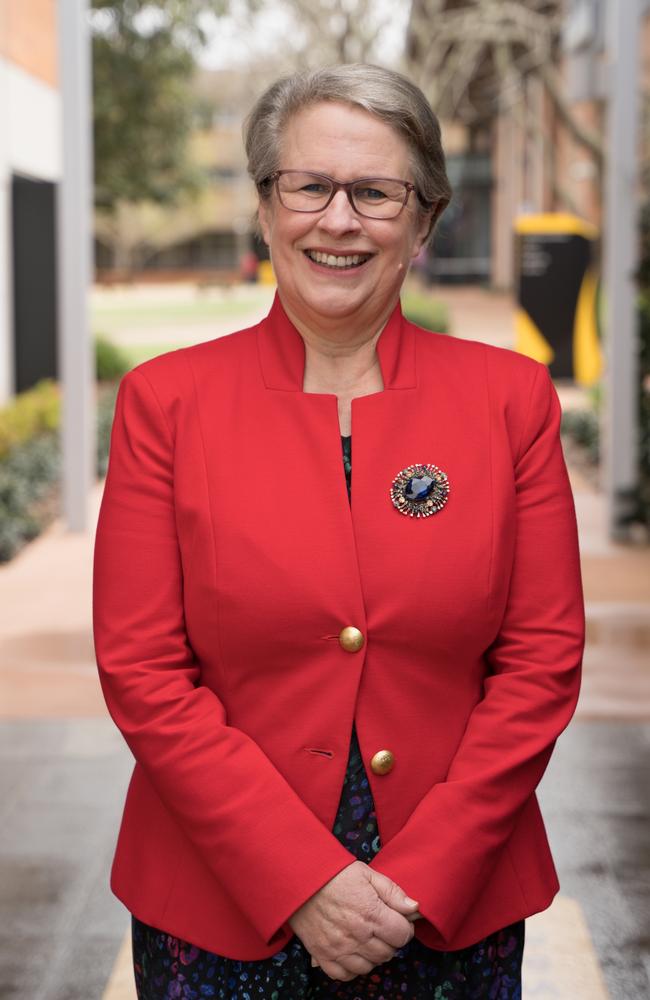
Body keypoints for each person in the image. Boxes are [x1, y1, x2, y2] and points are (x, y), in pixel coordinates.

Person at [93, 64, 585, 999]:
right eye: (309, 186)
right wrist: (303, 878)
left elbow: (542, 662)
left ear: (425, 220)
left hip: (449, 901)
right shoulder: (168, 403)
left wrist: (421, 875)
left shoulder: (509, 401)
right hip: (219, 899)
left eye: (376, 192)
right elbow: (143, 671)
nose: (339, 219)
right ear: (268, 206)